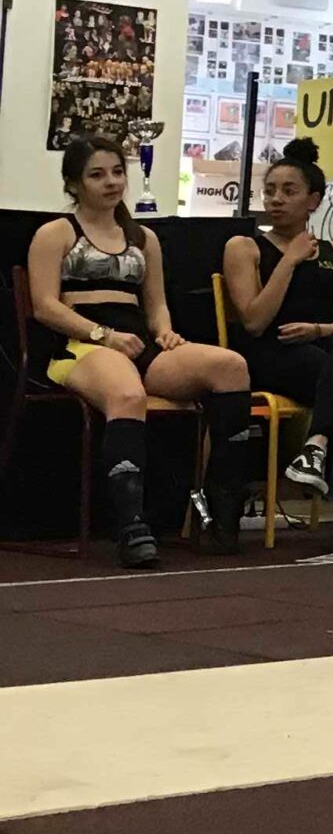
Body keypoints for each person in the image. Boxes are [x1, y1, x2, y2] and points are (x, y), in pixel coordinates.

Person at [26, 133, 255, 569]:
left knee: (230, 366)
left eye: (117, 172)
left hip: (138, 344)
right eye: (97, 175)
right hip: (79, 345)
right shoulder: (55, 234)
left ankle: (221, 509)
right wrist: (103, 335)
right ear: (74, 184)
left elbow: (157, 305)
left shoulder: (143, 237)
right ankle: (131, 525)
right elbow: (44, 306)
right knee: (128, 394)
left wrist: (166, 333)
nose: (112, 182)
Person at [222, 139, 333, 552]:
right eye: (270, 191)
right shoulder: (244, 247)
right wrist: (289, 260)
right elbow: (254, 321)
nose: (276, 200)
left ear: (313, 200)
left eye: (289, 191)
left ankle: (315, 446)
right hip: (269, 353)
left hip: (319, 352)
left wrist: (317, 330)